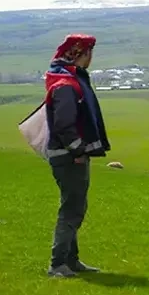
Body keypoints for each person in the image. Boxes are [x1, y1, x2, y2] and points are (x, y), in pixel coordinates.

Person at [44, 34, 111, 277]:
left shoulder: (67, 81)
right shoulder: (66, 86)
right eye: (89, 53)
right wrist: (78, 150)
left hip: (67, 154)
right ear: (80, 54)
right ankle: (58, 263)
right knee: (72, 209)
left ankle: (71, 261)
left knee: (74, 206)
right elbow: (64, 125)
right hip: (69, 156)